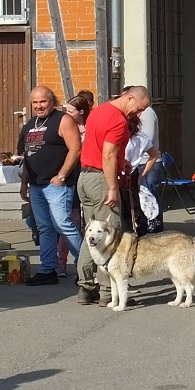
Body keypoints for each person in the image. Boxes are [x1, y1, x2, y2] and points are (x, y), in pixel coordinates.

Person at [75, 85, 152, 306]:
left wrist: (123, 163)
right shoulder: (118, 121)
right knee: (110, 233)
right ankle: (109, 292)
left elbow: (103, 149)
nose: (138, 114)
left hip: (84, 177)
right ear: (129, 98)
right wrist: (112, 187)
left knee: (92, 233)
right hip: (101, 179)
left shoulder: (98, 112)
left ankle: (86, 286)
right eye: (139, 109)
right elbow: (108, 154)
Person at [16, 86, 83, 286]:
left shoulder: (63, 120)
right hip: (37, 185)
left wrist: (61, 176)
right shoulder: (30, 124)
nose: (39, 106)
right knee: (44, 228)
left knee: (62, 224)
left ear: (52, 101)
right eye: (35, 103)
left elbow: (76, 149)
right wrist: (24, 182)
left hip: (57, 184)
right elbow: (28, 156)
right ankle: (48, 270)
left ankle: (86, 266)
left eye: (43, 102)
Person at [58, 93, 93, 274]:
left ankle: (89, 262)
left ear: (81, 112)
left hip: (86, 176)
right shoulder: (65, 127)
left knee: (89, 222)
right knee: (71, 221)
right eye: (66, 110)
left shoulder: (90, 128)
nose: (67, 114)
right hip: (71, 178)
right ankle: (62, 261)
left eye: (70, 111)